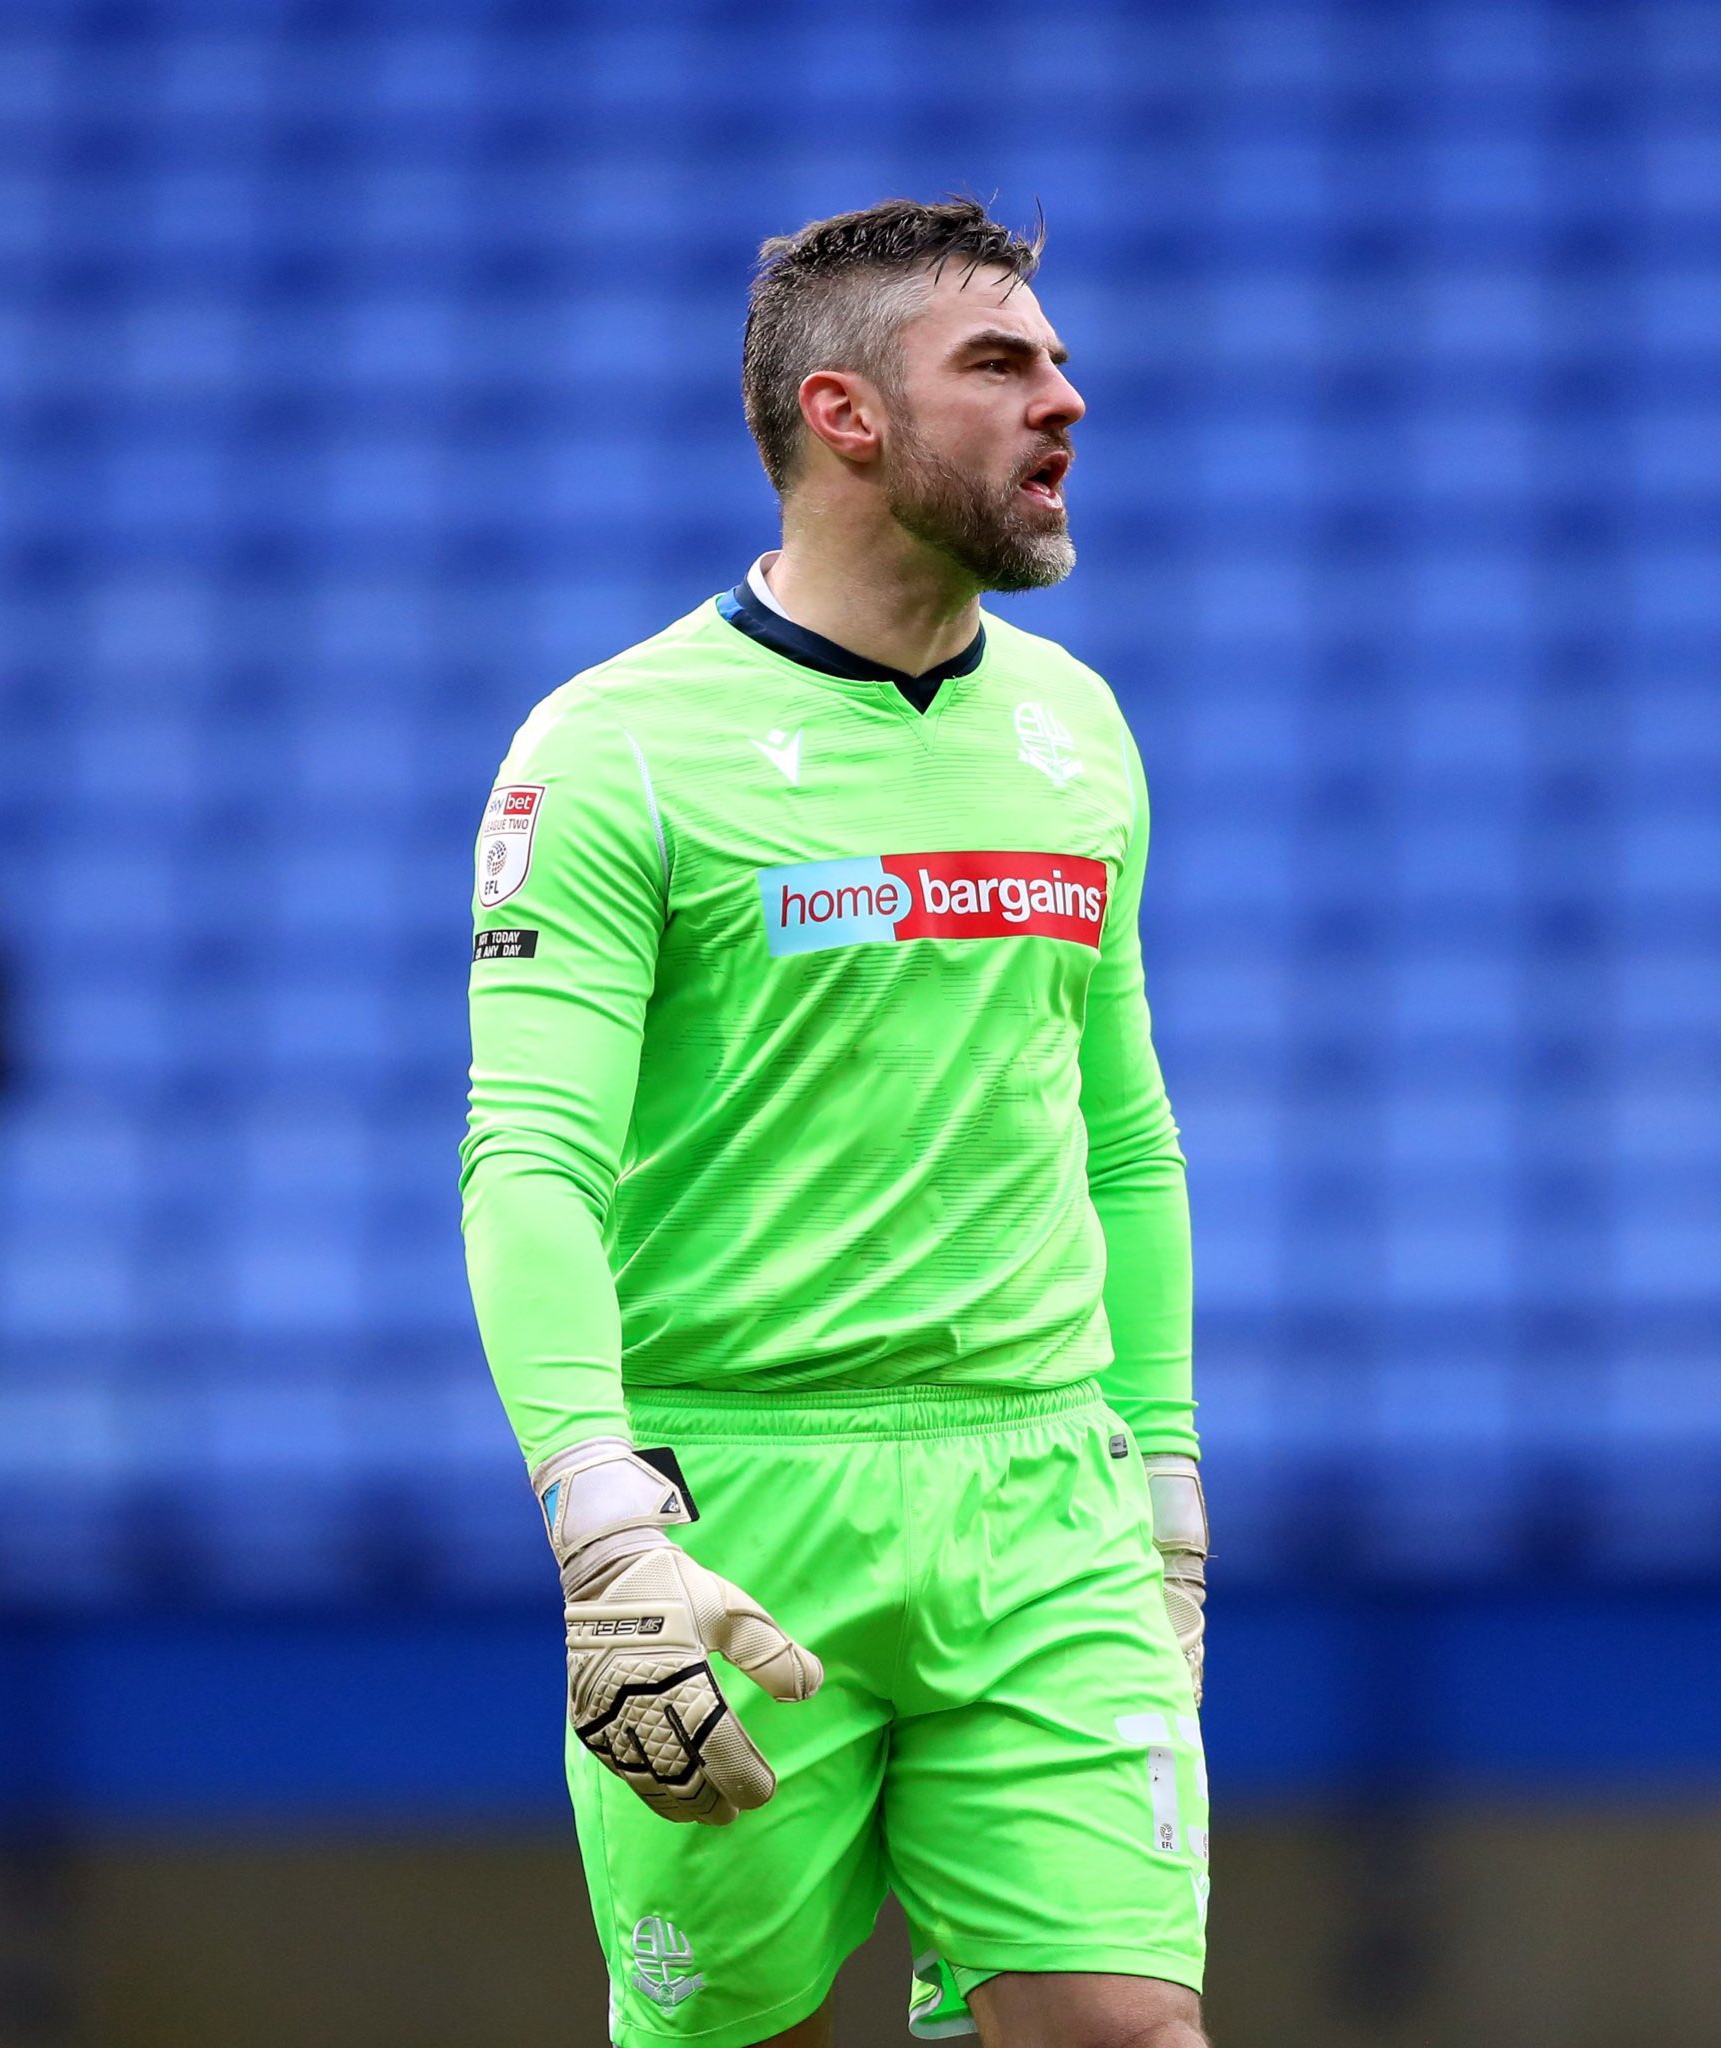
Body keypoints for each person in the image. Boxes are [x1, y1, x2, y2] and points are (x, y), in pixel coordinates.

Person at [461, 196, 1208, 2048]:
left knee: (1123, 2030)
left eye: (1057, 357)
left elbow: (1124, 1133)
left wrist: (1169, 1485)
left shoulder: (1079, 729)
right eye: (1004, 365)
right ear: (846, 415)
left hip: (1043, 1490)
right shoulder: (614, 747)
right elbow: (528, 1159)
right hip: (739, 1505)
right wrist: (599, 1523)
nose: (1069, 401)